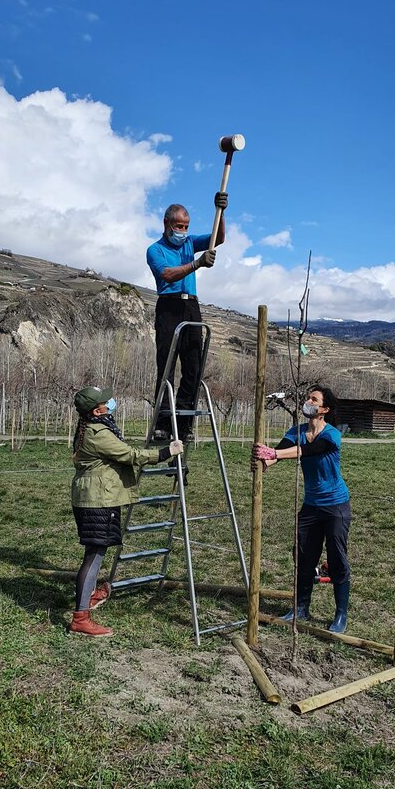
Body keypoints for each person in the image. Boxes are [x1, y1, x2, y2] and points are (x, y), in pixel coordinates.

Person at [70, 385, 183, 638]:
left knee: (94, 552)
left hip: (93, 496)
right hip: (98, 500)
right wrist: (166, 452)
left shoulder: (91, 428)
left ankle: (87, 597)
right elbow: (129, 455)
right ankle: (80, 618)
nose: (110, 402)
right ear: (96, 411)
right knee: (94, 555)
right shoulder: (98, 433)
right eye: (105, 401)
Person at [251, 385, 351, 633]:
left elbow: (307, 451)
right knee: (303, 555)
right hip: (311, 506)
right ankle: (301, 607)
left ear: (324, 409)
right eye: (308, 398)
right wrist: (264, 462)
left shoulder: (332, 435)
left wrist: (274, 453)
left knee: (337, 558)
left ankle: (341, 614)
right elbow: (278, 453)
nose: (308, 401)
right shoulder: (296, 431)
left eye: (314, 399)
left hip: (335, 506)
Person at [146, 192, 228, 441]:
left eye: (186, 227)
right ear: (166, 223)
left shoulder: (190, 243)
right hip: (168, 307)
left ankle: (183, 425)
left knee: (193, 366)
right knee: (167, 366)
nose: (182, 231)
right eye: (178, 226)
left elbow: (218, 238)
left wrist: (221, 211)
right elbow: (167, 275)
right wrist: (196, 264)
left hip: (191, 306)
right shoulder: (155, 250)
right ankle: (163, 423)